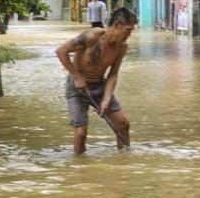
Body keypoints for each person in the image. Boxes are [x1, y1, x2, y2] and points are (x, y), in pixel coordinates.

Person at [56, 8, 138, 154]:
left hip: (100, 86)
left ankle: (124, 161)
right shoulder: (93, 35)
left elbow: (113, 74)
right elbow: (61, 51)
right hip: (77, 87)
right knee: (81, 132)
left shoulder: (121, 47)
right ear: (117, 25)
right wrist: (77, 77)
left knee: (123, 123)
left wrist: (106, 100)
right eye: (128, 30)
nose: (129, 35)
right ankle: (81, 168)